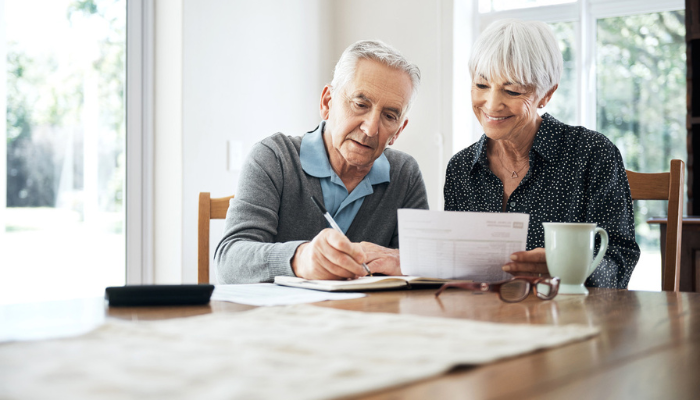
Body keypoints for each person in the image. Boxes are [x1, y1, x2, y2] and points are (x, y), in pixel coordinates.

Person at [444, 19, 640, 289]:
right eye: (481, 85)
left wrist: (569, 266)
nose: (491, 104)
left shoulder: (592, 154)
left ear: (546, 94)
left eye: (512, 90)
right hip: (483, 319)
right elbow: (457, 267)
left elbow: (619, 263)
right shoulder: (461, 168)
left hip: (567, 319)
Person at [215, 40, 429, 284]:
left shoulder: (405, 174)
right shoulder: (274, 157)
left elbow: (424, 268)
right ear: (327, 103)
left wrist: (407, 262)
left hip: (369, 316)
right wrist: (300, 259)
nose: (370, 128)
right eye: (360, 104)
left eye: (389, 116)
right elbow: (228, 262)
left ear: (398, 131)